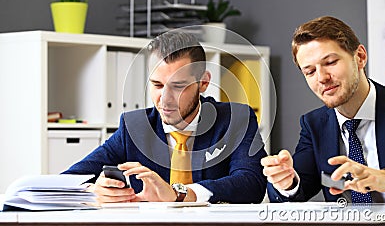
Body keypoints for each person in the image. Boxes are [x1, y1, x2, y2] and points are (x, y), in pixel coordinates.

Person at [63, 31, 267, 204]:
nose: (165, 99)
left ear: (203, 83)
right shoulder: (134, 127)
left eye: (178, 86)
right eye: (157, 85)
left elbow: (251, 183)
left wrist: (180, 194)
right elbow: (70, 180)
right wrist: (93, 191)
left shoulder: (236, 118)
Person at [261, 16, 385, 203]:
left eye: (330, 62)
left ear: (360, 57)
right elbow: (299, 188)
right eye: (310, 72)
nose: (322, 78)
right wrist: (286, 181)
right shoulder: (314, 124)